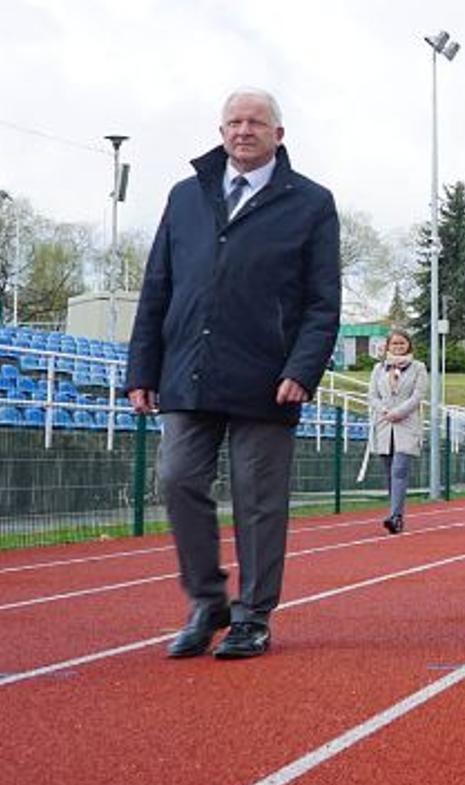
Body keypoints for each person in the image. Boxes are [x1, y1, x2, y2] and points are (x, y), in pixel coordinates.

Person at [127, 88, 340, 660]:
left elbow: (324, 302)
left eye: (256, 122)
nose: (243, 130)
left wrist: (303, 368)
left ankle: (253, 615)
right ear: (221, 131)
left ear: (279, 134)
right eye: (234, 122)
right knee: (175, 479)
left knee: (259, 499)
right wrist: (141, 368)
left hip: (269, 375)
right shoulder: (186, 196)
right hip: (187, 368)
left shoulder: (311, 203)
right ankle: (207, 600)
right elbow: (157, 287)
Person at [367, 329, 427, 534]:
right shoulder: (378, 369)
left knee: (399, 470)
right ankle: (396, 512)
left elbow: (418, 395)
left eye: (402, 344)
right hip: (384, 425)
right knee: (389, 473)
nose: (399, 347)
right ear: (388, 346)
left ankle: (395, 516)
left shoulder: (418, 368)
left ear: (409, 346)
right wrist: (385, 410)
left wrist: (399, 412)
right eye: (395, 344)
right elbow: (372, 395)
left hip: (407, 424)